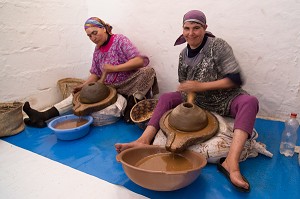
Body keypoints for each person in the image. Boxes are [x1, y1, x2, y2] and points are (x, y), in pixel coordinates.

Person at [115, 10, 259, 192]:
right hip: (198, 100)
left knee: (250, 102)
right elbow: (186, 84)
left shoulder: (218, 46)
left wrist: (201, 86)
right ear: (182, 30)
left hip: (225, 97)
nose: (191, 33)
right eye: (187, 28)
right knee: (167, 97)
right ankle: (144, 140)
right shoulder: (183, 54)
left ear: (205, 28)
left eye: (196, 28)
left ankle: (231, 163)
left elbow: (236, 78)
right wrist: (189, 92)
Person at [23, 17, 159, 127]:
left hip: (128, 85)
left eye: (95, 33)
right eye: (89, 36)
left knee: (148, 72)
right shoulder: (97, 51)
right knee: (82, 95)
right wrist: (83, 86)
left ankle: (131, 105)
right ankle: (43, 115)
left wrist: (114, 68)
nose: (93, 38)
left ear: (104, 29)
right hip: (108, 88)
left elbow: (139, 61)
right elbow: (95, 73)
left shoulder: (119, 40)